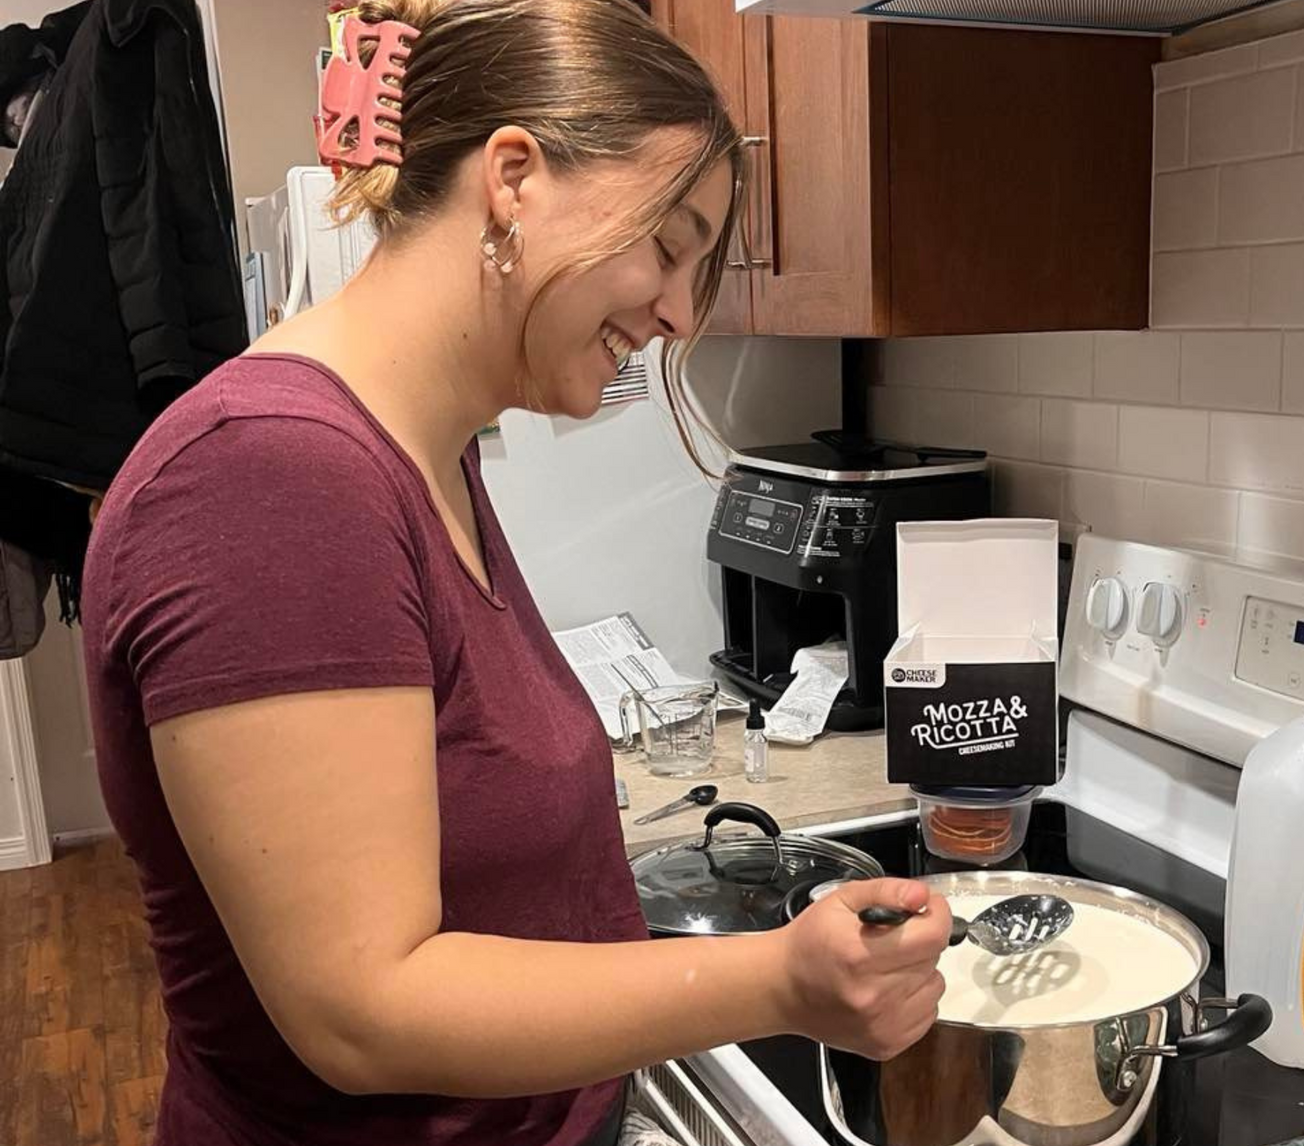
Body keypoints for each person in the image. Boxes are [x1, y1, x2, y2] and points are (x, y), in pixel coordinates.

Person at [79, 2, 950, 1144]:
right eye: (669, 243)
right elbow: (363, 1010)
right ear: (514, 178)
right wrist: (779, 982)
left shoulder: (421, 454)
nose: (681, 312)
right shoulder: (268, 478)